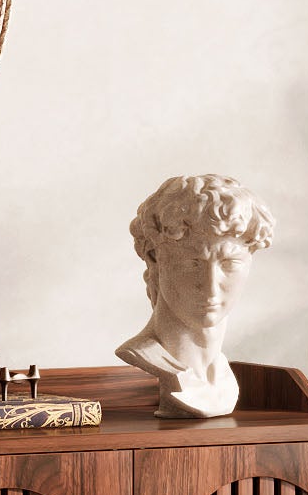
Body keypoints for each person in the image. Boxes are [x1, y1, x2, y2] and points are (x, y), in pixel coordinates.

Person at [116, 174, 275, 418]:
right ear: (153, 257)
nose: (210, 285)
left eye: (229, 264)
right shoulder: (144, 354)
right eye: (192, 264)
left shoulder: (224, 375)